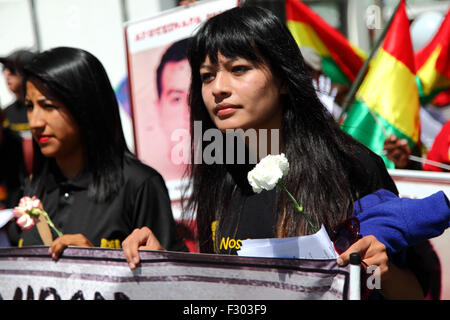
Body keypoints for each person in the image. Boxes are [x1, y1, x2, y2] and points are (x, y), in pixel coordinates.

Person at [122, 6, 428, 299]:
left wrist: (380, 272)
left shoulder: (352, 166)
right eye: (207, 76)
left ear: (282, 78)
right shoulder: (219, 174)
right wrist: (159, 265)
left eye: (238, 69)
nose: (218, 88)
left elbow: (414, 291)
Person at [7, 47, 186, 259]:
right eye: (29, 106)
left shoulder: (139, 185)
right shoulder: (33, 188)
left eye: (48, 106)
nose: (35, 122)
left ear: (85, 105)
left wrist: (95, 263)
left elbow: (172, 281)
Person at [0, 49, 36, 136]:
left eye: (11, 69)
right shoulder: (5, 115)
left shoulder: (47, 109)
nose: (6, 73)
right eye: (4, 68)